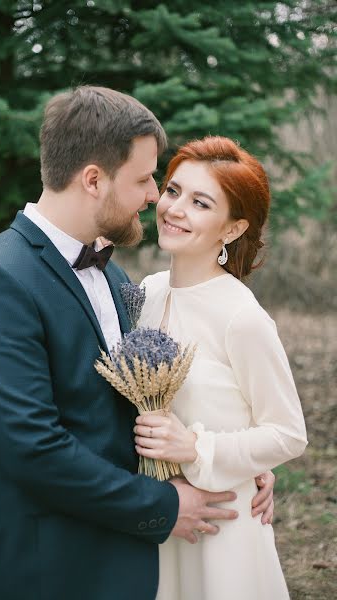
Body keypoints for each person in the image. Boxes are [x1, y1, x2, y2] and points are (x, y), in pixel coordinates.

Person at [0, 87, 275, 600]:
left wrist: (237, 461)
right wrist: (163, 506)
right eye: (145, 180)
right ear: (93, 179)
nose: (153, 197)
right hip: (51, 569)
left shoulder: (116, 277)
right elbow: (31, 448)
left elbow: (147, 397)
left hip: (131, 564)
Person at [134, 135, 308, 599]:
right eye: (172, 191)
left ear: (231, 230)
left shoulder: (241, 317)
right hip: (157, 522)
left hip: (220, 527)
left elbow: (288, 433)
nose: (174, 209)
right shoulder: (146, 294)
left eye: (200, 202)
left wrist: (197, 447)